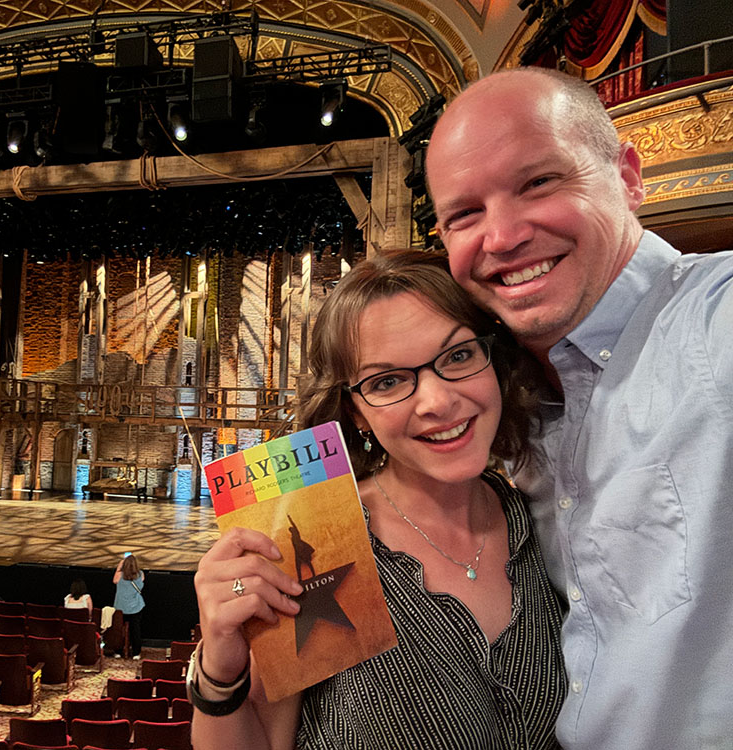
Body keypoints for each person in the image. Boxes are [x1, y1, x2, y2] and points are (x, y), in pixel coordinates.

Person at [425, 67, 733, 749]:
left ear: (626, 176)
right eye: (464, 214)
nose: (501, 237)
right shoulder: (503, 415)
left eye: (539, 182)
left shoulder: (716, 318)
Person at [192, 251, 565, 749]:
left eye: (458, 355)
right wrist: (219, 666)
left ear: (493, 361)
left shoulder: (549, 520)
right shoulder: (311, 535)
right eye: (387, 381)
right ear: (357, 412)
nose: (436, 402)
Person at [113, 553, 146, 660]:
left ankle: (118, 651)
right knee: (135, 630)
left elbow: (114, 580)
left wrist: (120, 565)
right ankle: (136, 653)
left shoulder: (119, 575)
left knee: (118, 630)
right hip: (136, 608)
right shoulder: (141, 574)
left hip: (120, 608)